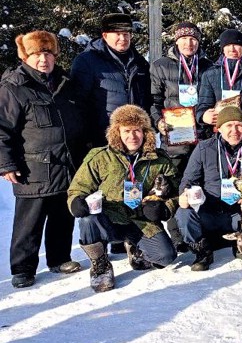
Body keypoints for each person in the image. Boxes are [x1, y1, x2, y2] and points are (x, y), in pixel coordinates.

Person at [0, 31, 85, 288]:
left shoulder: (64, 82)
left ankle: (59, 258)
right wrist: (6, 163)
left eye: (48, 53)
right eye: (37, 53)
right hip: (33, 167)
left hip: (66, 163)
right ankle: (23, 268)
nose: (43, 59)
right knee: (30, 221)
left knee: (63, 215)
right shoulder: (14, 87)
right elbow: (2, 128)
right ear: (26, 56)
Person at [67, 105, 178, 293]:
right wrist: (76, 201)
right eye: (127, 131)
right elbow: (78, 188)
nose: (132, 136)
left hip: (140, 220)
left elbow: (176, 192)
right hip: (109, 218)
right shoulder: (101, 157)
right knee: (87, 220)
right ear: (117, 132)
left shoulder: (159, 159)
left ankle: (135, 248)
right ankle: (100, 264)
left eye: (137, 130)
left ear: (145, 132)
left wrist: (164, 207)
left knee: (165, 256)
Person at [176, 106, 242, 271]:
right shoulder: (203, 149)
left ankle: (241, 242)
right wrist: (185, 194)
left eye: (239, 125)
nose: (234, 130)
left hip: (239, 215)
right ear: (218, 128)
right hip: (211, 212)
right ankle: (203, 251)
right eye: (229, 125)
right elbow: (188, 180)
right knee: (183, 214)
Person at [150, 21, 212, 251]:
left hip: (203, 136)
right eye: (184, 38)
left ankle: (203, 231)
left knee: (202, 184)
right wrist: (159, 121)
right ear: (176, 41)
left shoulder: (207, 66)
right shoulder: (161, 66)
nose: (189, 43)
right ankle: (177, 236)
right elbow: (154, 100)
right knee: (175, 185)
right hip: (175, 137)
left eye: (193, 39)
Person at [70, 12, 151, 148]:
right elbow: (78, 103)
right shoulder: (87, 61)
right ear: (105, 35)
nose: (122, 38)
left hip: (134, 139)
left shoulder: (139, 63)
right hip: (102, 138)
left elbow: (147, 98)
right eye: (117, 34)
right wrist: (85, 138)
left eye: (126, 34)